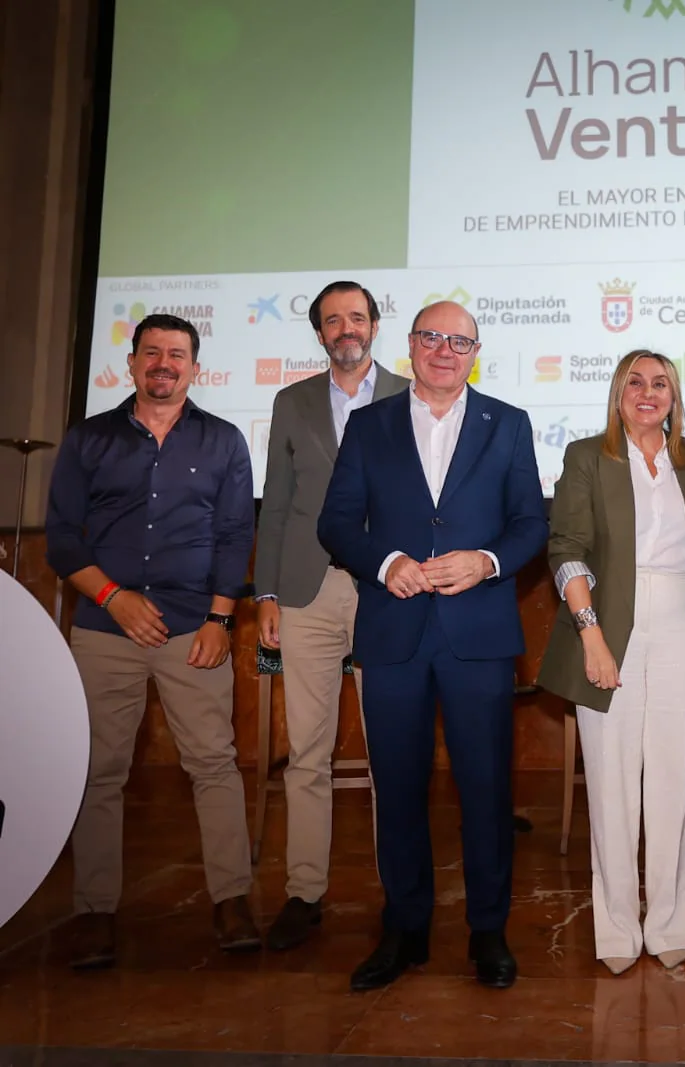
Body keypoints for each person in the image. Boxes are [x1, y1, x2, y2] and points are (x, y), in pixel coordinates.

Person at [318, 301, 547, 991]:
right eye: (431, 338)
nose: (444, 350)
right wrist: (386, 563)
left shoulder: (507, 423)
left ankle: (488, 930)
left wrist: (486, 560)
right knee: (398, 789)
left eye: (459, 340)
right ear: (411, 345)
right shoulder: (369, 424)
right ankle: (405, 928)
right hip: (393, 632)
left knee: (485, 788)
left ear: (476, 351)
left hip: (477, 634)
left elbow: (531, 522)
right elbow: (336, 522)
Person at [45, 313, 259, 968]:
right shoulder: (88, 439)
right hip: (106, 627)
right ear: (132, 361)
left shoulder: (224, 441)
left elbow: (233, 538)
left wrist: (222, 621)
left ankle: (232, 900)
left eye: (177, 354)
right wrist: (114, 596)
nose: (164, 363)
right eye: (152, 352)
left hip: (195, 627)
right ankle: (95, 910)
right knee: (100, 770)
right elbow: (62, 540)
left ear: (196, 367)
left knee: (213, 763)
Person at [537, 350, 685, 975]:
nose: (649, 393)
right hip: (607, 626)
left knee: (677, 781)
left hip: (681, 627)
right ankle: (617, 930)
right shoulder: (587, 456)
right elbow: (565, 547)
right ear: (618, 394)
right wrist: (591, 636)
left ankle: (673, 923)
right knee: (613, 785)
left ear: (674, 396)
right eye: (636, 382)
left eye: (661, 383)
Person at [254, 281, 407, 950]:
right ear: (319, 333)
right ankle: (304, 891)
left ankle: (400, 893)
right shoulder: (292, 402)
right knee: (307, 752)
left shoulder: (411, 394)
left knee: (391, 752)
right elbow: (278, 504)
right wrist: (265, 593)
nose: (346, 328)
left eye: (356, 316)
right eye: (332, 320)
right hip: (305, 592)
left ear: (374, 325)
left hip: (386, 589)